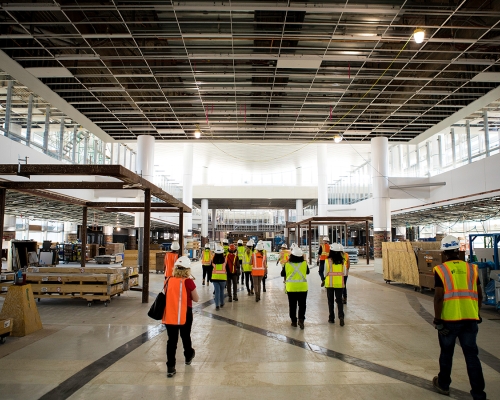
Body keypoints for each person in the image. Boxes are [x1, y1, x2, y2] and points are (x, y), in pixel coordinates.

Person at [432, 235, 486, 399]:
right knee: (472, 355)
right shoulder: (472, 269)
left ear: (444, 253)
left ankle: (443, 384)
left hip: (449, 320)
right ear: (459, 251)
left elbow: (439, 296)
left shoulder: (441, 270)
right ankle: (478, 393)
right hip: (470, 319)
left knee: (447, 353)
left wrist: (437, 319)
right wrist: (476, 312)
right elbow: (480, 294)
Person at [163, 256, 199, 378]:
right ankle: (188, 355)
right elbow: (196, 298)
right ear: (187, 270)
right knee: (185, 336)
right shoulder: (188, 282)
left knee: (171, 341)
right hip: (185, 314)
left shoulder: (168, 280)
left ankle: (170, 367)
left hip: (171, 314)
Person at [281, 246, 309, 329]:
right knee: (302, 305)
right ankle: (301, 319)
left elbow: (282, 274)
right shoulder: (304, 263)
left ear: (291, 255)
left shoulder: (287, 264)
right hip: (302, 287)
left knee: (292, 305)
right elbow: (308, 272)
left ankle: (293, 321)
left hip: (291, 288)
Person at [324, 243, 346, 326]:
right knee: (339, 301)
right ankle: (341, 317)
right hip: (339, 284)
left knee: (330, 301)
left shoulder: (328, 261)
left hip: (330, 284)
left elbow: (325, 272)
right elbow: (344, 272)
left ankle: (331, 318)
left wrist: (324, 279)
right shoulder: (342, 261)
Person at [211, 246, 227, 310]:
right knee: (222, 291)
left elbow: (210, 269)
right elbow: (227, 268)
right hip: (223, 278)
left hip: (215, 278)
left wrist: (210, 278)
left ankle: (217, 305)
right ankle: (222, 303)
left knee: (217, 291)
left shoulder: (213, 260)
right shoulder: (225, 259)